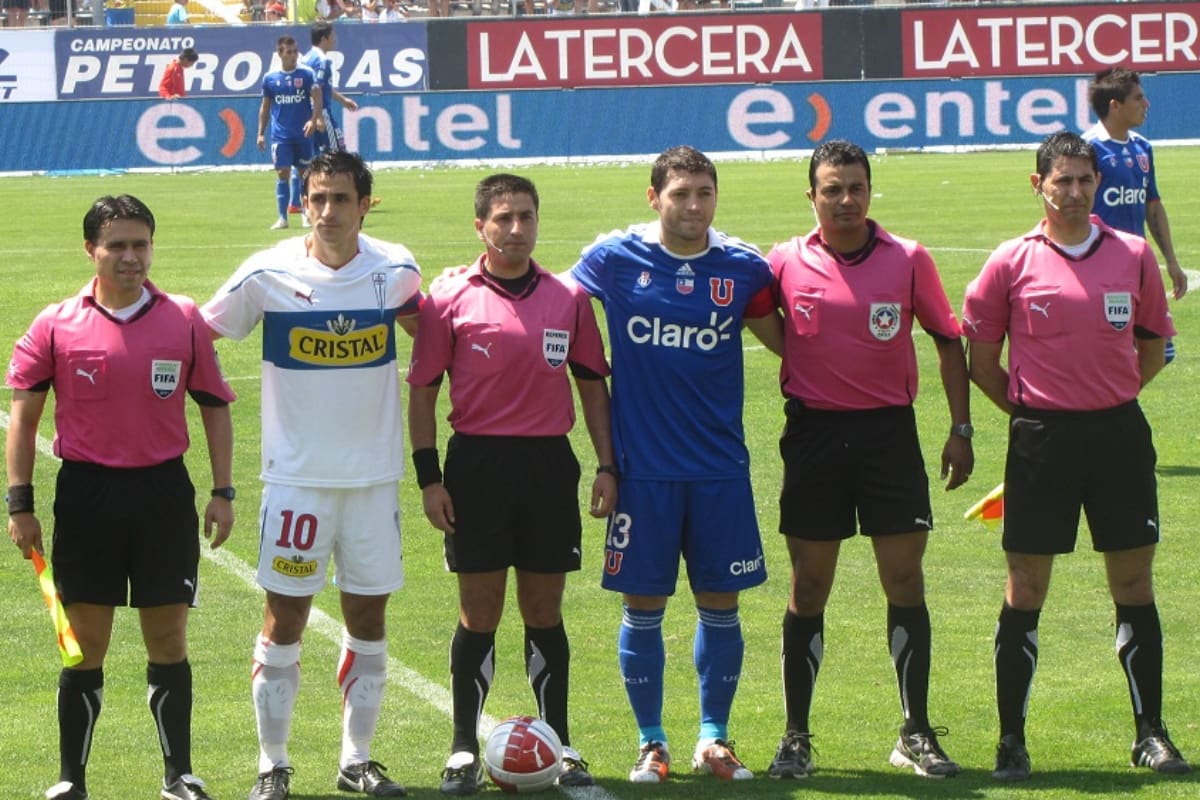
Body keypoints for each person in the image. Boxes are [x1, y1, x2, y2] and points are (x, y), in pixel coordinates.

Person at [962, 131, 1189, 781]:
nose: (1074, 191)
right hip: (1041, 441)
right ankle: (1012, 740)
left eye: (1084, 180)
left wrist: (1108, 399)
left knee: (1134, 585)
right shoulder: (1010, 261)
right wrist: (1036, 412)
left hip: (1118, 436)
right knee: (1026, 588)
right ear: (1038, 185)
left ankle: (1151, 734)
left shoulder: (1134, 255)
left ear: (1098, 184)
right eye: (1061, 180)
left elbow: (1150, 348)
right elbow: (982, 362)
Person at [744, 139, 972, 780]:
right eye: (832, 188)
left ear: (870, 192)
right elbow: (758, 314)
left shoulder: (907, 258)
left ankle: (916, 731)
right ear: (812, 195)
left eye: (856, 188)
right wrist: (796, 356)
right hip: (814, 437)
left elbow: (948, 342)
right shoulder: (785, 260)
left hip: (888, 438)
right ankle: (796, 737)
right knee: (808, 587)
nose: (845, 199)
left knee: (904, 582)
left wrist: (960, 428)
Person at [202, 150, 422, 800]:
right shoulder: (266, 274)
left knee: (369, 619)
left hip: (374, 480)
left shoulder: (396, 269)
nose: (328, 211)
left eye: (341, 199)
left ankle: (357, 760)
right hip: (296, 482)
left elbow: (439, 340)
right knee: (285, 620)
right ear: (304, 201)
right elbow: (195, 334)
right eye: (317, 198)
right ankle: (273, 764)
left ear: (365, 204)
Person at [5, 194, 235, 800]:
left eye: (141, 244)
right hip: (87, 497)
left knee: (168, 641)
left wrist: (223, 491)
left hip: (162, 495)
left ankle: (178, 775)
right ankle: (70, 780)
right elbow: (24, 422)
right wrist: (19, 505)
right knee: (85, 647)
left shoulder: (183, 317)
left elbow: (214, 409)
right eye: (117, 246)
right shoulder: (55, 323)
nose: (131, 257)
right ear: (92, 251)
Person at [570, 145, 773, 784]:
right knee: (644, 607)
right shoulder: (613, 259)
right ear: (653, 196)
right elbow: (554, 307)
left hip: (719, 471)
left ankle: (714, 738)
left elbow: (793, 343)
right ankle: (651, 742)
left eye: (703, 194)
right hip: (643, 472)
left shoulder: (743, 268)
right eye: (680, 193)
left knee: (722, 604)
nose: (692, 206)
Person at [408, 173, 616, 796]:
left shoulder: (568, 298)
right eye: (503, 218)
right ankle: (463, 746)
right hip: (476, 469)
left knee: (544, 611)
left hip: (549, 468)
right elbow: (422, 393)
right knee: (480, 611)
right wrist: (429, 478)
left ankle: (561, 738)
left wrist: (608, 465)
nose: (516, 229)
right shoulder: (449, 298)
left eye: (526, 216)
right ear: (481, 226)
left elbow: (591, 386)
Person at [1083, 67, 1186, 363]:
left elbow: (1152, 205)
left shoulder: (1142, 147)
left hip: (1139, 264)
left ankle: (1120, 403)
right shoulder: (1088, 149)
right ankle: (1114, 404)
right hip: (1103, 266)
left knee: (1161, 352)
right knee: (1113, 351)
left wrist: (1171, 261)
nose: (1146, 104)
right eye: (1139, 98)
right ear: (1115, 105)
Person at [258, 35, 323, 231]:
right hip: (280, 135)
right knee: (282, 172)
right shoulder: (270, 78)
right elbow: (265, 107)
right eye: (289, 52)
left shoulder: (306, 74)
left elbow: (317, 98)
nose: (293, 55)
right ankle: (282, 217)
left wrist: (313, 119)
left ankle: (306, 214)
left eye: (295, 51)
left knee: (305, 175)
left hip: (302, 134)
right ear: (280, 54)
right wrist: (260, 132)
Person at [303, 21, 358, 155]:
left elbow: (322, 87)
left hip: (306, 113)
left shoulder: (306, 58)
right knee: (336, 154)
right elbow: (317, 90)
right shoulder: (321, 61)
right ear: (324, 39)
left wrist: (343, 100)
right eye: (332, 36)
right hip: (321, 112)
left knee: (313, 155)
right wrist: (320, 117)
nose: (334, 39)